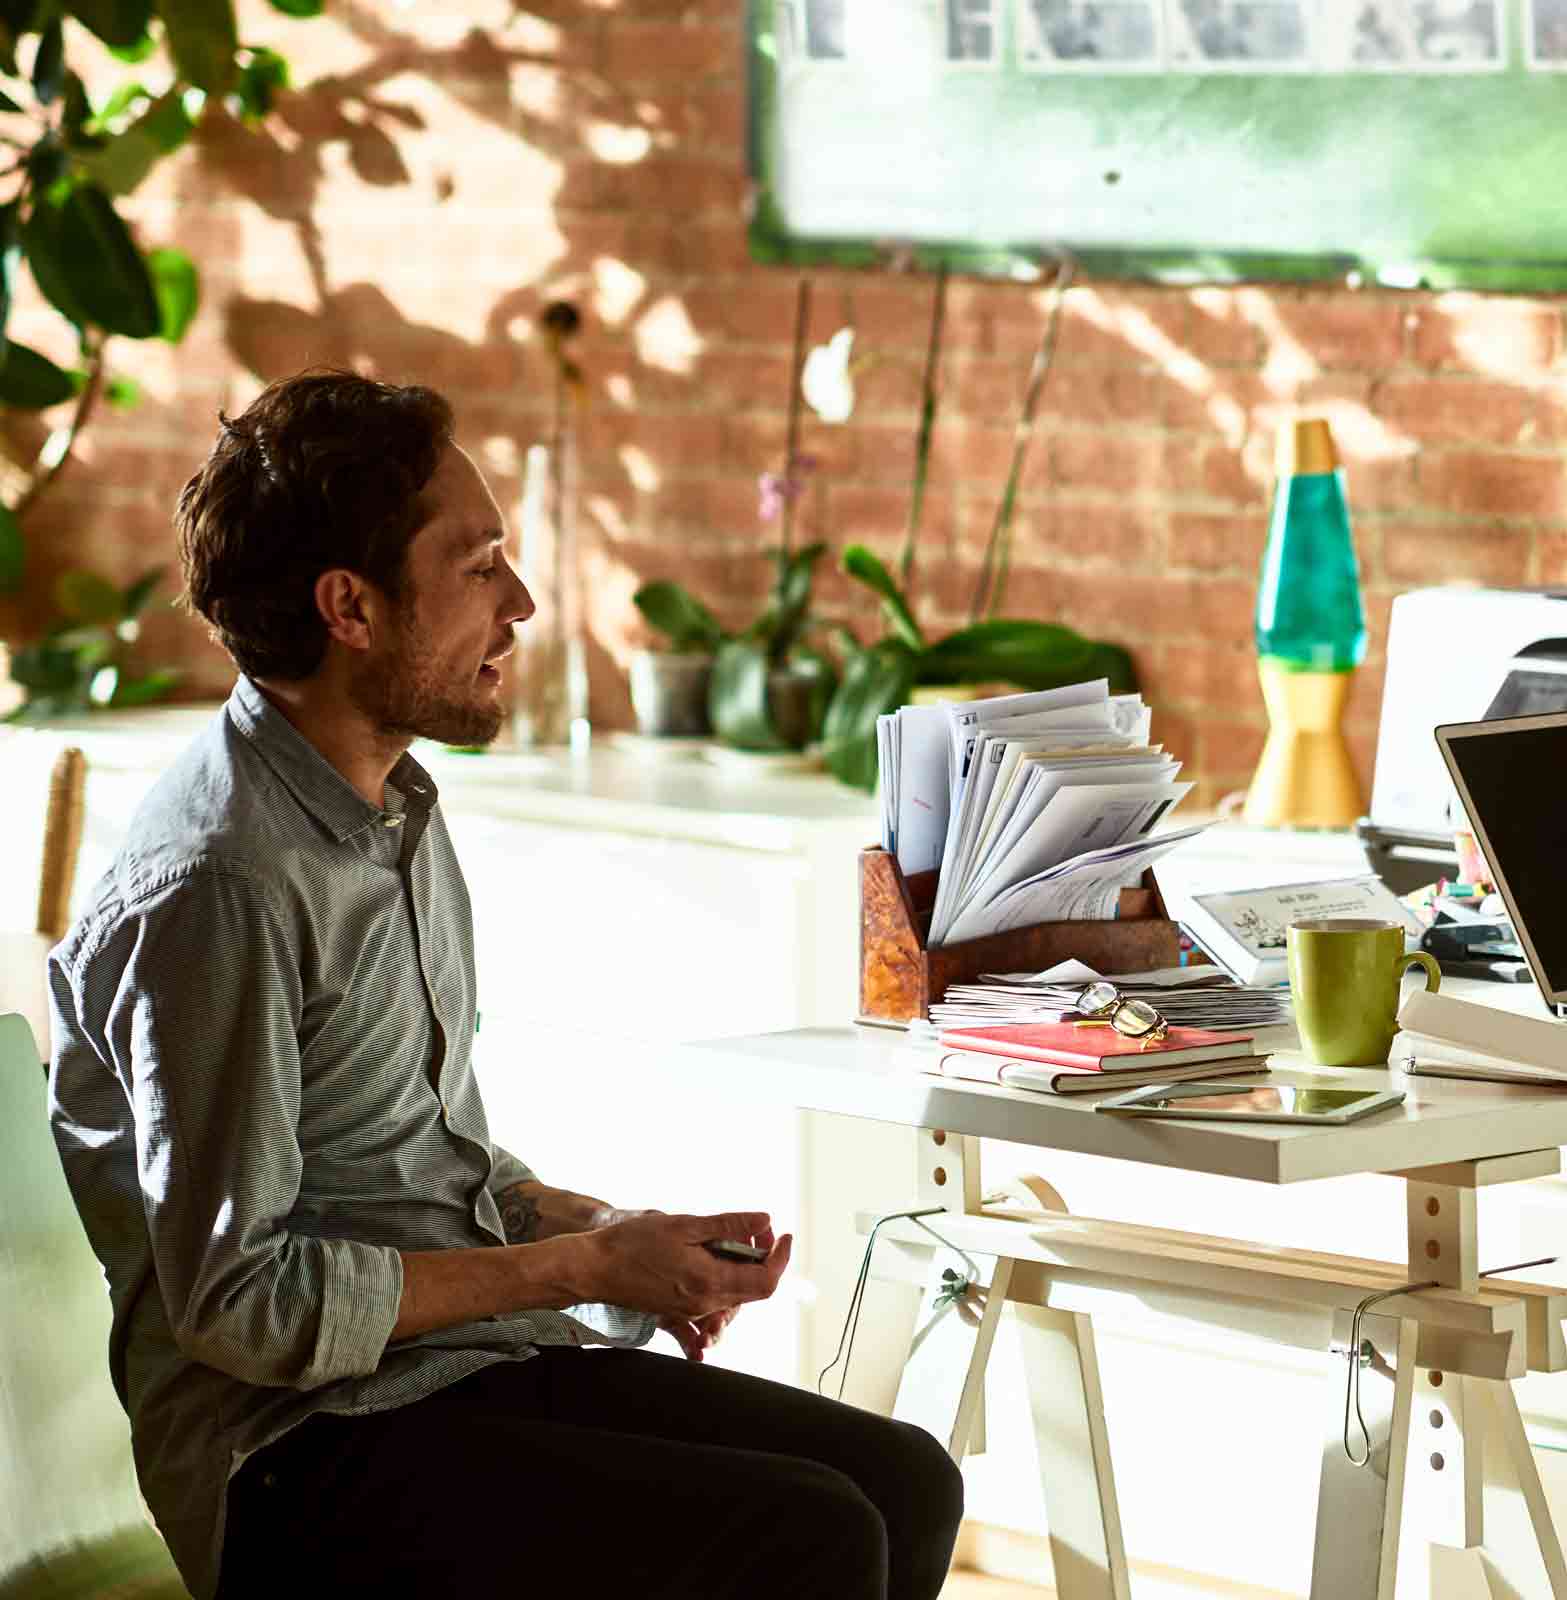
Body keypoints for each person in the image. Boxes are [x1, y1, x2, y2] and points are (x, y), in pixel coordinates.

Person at [45, 369, 964, 1600]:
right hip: (291, 1458)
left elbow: (407, 1163)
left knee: (903, 1480)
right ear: (349, 607)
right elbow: (241, 1303)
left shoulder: (395, 808)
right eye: (478, 566)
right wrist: (581, 1272)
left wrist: (606, 1234)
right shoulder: (222, 883)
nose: (521, 604)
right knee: (805, 1534)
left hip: (456, 1371)